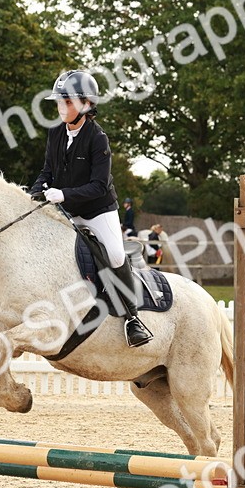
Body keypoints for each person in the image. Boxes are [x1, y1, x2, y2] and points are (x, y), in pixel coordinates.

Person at [29, 69, 152, 348]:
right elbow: (47, 171)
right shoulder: (56, 133)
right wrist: (35, 192)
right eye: (60, 102)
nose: (62, 108)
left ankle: (133, 318)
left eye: (68, 102)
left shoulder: (98, 139)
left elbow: (98, 185)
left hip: (99, 211)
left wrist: (63, 193)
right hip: (67, 208)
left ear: (86, 104)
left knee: (116, 255)